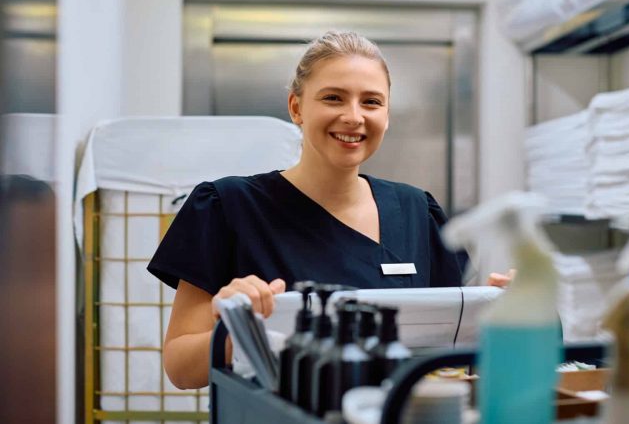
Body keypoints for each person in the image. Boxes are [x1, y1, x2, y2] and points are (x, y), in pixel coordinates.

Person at [147, 30, 511, 389]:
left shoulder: (416, 211)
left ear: (387, 114)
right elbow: (180, 367)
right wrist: (236, 328)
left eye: (371, 102)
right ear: (296, 107)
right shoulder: (227, 208)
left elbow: (452, 348)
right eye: (333, 98)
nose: (354, 117)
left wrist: (503, 312)